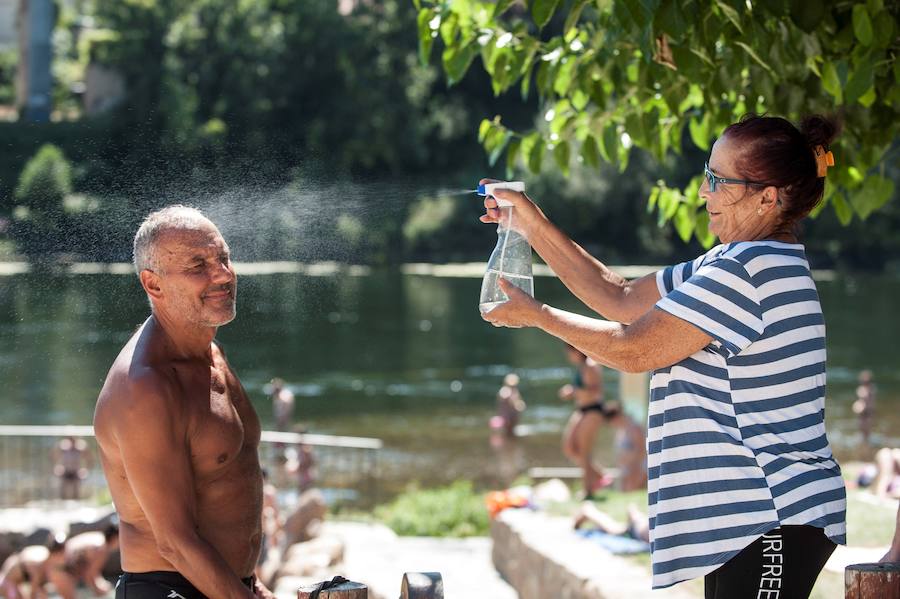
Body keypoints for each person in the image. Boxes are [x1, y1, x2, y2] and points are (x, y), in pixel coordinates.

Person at [477, 114, 846, 598]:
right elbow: (622, 296)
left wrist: (537, 315)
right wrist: (529, 222)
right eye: (705, 175)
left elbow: (633, 350)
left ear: (767, 196)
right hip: (759, 518)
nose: (702, 192)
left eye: (717, 181)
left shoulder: (746, 271)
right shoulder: (734, 260)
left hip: (769, 513)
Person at [93, 205, 274, 599]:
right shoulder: (146, 388)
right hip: (169, 590)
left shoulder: (211, 353)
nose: (223, 274)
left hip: (226, 585)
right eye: (198, 266)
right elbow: (174, 542)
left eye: (223, 258)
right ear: (153, 285)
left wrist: (253, 583)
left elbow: (229, 484)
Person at [558, 344, 611, 498]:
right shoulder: (582, 366)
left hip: (593, 410)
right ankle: (600, 475)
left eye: (569, 352)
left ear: (577, 351)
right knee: (570, 447)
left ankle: (588, 491)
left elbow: (596, 391)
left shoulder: (590, 365)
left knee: (584, 452)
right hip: (582, 410)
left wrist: (574, 391)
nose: (568, 356)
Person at [47, 525, 119, 599]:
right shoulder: (101, 548)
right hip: (62, 570)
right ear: (115, 538)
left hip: (57, 567)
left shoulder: (97, 537)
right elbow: (90, 574)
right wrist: (100, 590)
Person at [0, 535, 66, 599]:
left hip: (15, 579)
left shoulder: (45, 557)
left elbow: (40, 587)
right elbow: (33, 590)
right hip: (6, 580)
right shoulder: (40, 561)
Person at [600, 401, 647, 492]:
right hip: (628, 470)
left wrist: (635, 470)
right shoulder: (622, 430)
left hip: (637, 469)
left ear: (616, 417)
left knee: (631, 494)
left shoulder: (634, 428)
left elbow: (642, 451)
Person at [573, 501, 650, 543]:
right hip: (638, 528)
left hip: (640, 526)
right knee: (614, 529)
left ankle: (589, 511)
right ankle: (588, 511)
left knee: (615, 527)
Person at [52, 435, 91, 500]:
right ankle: (63, 501)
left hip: (76, 471)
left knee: (76, 490)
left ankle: (77, 502)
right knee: (63, 489)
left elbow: (89, 459)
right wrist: (57, 466)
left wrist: (86, 469)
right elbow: (54, 455)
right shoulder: (63, 447)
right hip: (66, 470)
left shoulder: (80, 448)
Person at [490, 373, 526, 438]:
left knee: (510, 432)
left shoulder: (514, 391)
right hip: (507, 417)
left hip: (511, 416)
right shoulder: (505, 391)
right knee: (508, 432)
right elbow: (506, 399)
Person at [852, 369, 875, 445]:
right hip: (866, 412)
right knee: (865, 428)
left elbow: (863, 401)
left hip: (866, 411)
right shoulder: (871, 388)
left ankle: (865, 441)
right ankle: (865, 441)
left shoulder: (864, 390)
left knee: (864, 427)